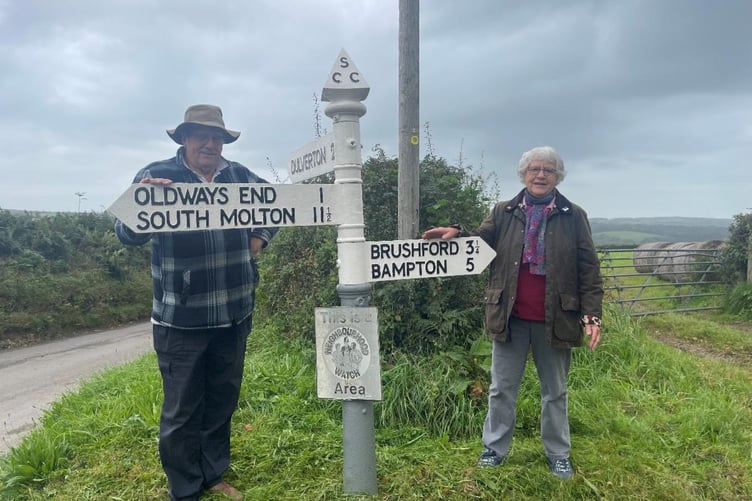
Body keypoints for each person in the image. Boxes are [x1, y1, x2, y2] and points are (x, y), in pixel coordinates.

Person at [115, 104, 277, 500]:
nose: (210, 144)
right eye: (201, 136)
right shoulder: (157, 174)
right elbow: (124, 232)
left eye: (217, 137)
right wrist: (145, 205)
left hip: (235, 312)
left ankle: (213, 474)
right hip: (180, 319)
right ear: (184, 139)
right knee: (182, 410)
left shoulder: (240, 176)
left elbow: (275, 204)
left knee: (222, 400)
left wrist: (261, 234)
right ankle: (184, 489)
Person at [422, 146, 603, 480]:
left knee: (555, 392)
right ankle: (494, 449)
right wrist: (457, 234)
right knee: (502, 388)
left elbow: (588, 268)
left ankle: (558, 453)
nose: (541, 175)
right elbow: (482, 241)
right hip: (510, 315)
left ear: (557, 176)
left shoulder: (573, 214)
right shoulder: (503, 211)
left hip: (557, 318)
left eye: (548, 170)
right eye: (534, 169)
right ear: (523, 174)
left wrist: (592, 315)